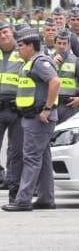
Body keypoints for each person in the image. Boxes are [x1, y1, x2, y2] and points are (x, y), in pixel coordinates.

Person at [2, 27, 60, 212]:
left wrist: (47, 109)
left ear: (31, 46)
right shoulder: (30, 62)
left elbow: (55, 82)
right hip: (32, 117)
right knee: (42, 158)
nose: (18, 49)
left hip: (38, 118)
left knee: (31, 158)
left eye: (21, 45)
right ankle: (45, 199)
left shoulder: (39, 62)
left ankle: (23, 200)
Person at [0, 21, 23, 190]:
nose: (2, 36)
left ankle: (12, 180)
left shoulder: (23, 50)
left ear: (12, 33)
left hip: (17, 107)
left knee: (16, 149)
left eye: (5, 32)